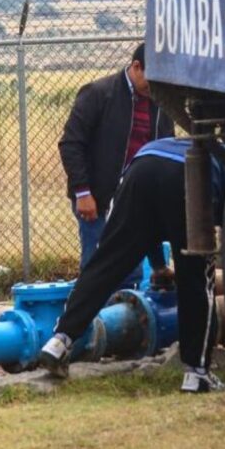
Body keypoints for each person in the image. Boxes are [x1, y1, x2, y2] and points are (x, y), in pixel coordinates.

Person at [39, 137, 225, 393]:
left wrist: (159, 267)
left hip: (141, 167)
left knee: (105, 264)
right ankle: (197, 373)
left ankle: (60, 340)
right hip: (188, 173)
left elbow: (148, 230)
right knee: (196, 276)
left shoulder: (202, 144)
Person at [58, 43, 174, 282]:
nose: (154, 90)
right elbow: (71, 144)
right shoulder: (99, 93)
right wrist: (83, 193)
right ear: (136, 66)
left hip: (137, 195)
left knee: (128, 269)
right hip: (98, 198)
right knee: (99, 266)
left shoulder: (160, 103)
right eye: (151, 82)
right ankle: (92, 316)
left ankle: (126, 310)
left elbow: (165, 147)